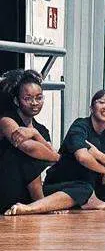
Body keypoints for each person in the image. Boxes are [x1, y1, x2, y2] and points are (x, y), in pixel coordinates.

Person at [1, 70, 95, 216]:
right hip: (7, 185)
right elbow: (29, 148)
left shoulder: (41, 130)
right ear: (16, 101)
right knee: (27, 154)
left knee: (84, 188)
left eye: (39, 98)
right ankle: (42, 205)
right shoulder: (7, 120)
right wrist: (54, 155)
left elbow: (51, 159)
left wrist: (35, 133)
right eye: (27, 98)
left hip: (27, 193)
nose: (34, 103)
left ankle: (33, 207)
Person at [44, 90, 105, 210]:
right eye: (102, 102)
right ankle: (80, 200)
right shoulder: (80, 126)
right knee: (84, 189)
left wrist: (98, 155)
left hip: (92, 187)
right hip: (63, 184)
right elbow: (83, 157)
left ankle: (81, 202)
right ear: (91, 108)